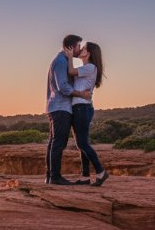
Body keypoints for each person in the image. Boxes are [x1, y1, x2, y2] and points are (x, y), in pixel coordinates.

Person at [45, 35, 92, 185]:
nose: (80, 49)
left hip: (58, 106)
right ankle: (55, 177)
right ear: (71, 47)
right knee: (58, 142)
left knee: (54, 142)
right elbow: (63, 87)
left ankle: (50, 176)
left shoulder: (63, 60)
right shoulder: (60, 61)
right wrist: (81, 94)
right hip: (60, 107)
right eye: (78, 46)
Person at [66, 42, 109, 186]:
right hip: (79, 107)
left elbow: (71, 72)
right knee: (81, 144)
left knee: (82, 143)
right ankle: (85, 177)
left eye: (83, 48)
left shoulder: (90, 67)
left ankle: (101, 172)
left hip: (82, 108)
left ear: (88, 53)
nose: (81, 49)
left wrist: (70, 56)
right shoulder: (85, 68)